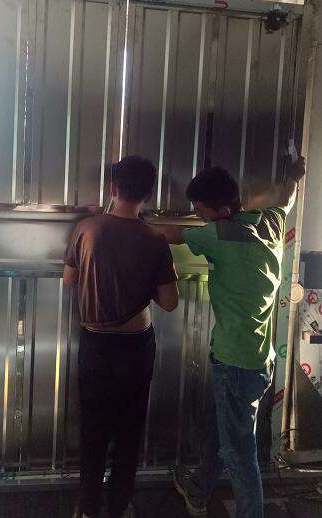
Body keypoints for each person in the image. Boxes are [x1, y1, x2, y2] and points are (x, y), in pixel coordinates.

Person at [157, 157, 306, 518]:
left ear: (222, 210)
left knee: (240, 454)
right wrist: (294, 176)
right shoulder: (270, 221)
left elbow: (168, 235)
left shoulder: (219, 233)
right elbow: (286, 198)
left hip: (235, 364)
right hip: (258, 359)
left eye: (201, 211)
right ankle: (199, 489)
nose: (199, 217)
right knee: (219, 427)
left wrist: (126, 221)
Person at [63, 155, 179, 518]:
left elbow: (68, 279)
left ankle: (88, 507)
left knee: (93, 428)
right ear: (148, 195)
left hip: (95, 344)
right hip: (135, 348)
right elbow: (169, 303)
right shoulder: (155, 240)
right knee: (129, 430)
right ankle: (118, 506)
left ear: (113, 188)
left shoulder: (86, 228)